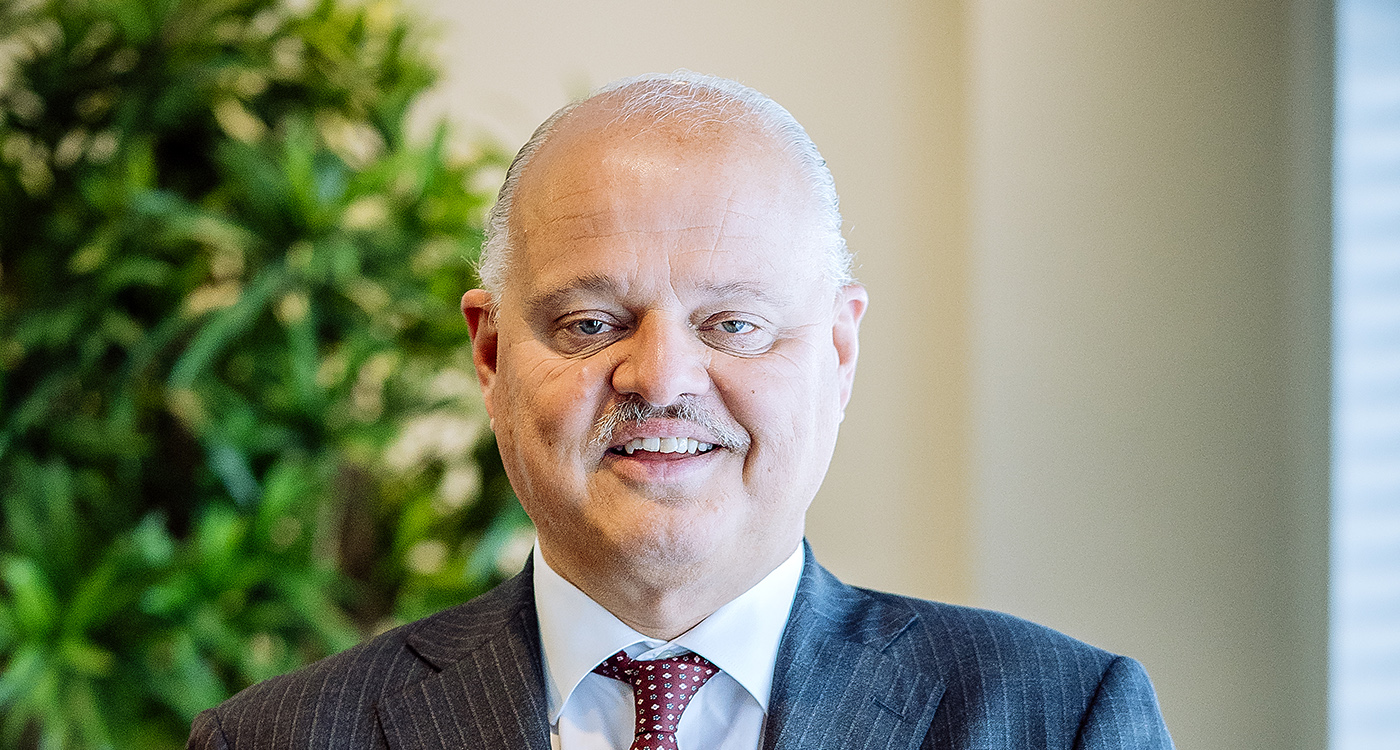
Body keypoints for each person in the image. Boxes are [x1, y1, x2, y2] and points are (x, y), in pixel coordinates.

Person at [187, 72, 1174, 750]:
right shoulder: (276, 740)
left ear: (837, 353)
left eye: (733, 325)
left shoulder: (1058, 721)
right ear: (489, 355)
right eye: (588, 323)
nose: (659, 379)